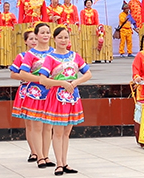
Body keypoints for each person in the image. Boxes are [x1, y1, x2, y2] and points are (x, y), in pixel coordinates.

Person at [39, 26, 92, 176]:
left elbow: (88, 73)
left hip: (72, 95)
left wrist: (75, 83)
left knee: (67, 131)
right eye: (60, 37)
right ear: (54, 39)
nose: (63, 40)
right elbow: (43, 79)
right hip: (57, 96)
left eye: (66, 37)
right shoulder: (50, 58)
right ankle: (59, 164)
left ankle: (65, 162)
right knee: (58, 131)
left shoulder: (74, 56)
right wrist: (62, 83)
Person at [19, 23, 55, 169]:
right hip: (35, 92)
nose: (45, 35)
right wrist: (41, 80)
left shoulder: (54, 53)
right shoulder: (31, 54)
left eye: (48, 32)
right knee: (37, 126)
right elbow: (22, 73)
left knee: (48, 126)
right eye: (42, 32)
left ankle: (46, 155)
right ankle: (39, 155)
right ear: (37, 35)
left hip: (51, 92)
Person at [9, 29, 38, 162]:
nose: (34, 41)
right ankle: (33, 151)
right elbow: (13, 74)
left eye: (35, 38)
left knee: (43, 124)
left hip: (42, 91)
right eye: (31, 39)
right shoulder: (21, 57)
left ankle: (42, 151)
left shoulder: (46, 56)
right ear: (25, 41)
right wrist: (27, 77)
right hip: (26, 90)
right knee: (30, 124)